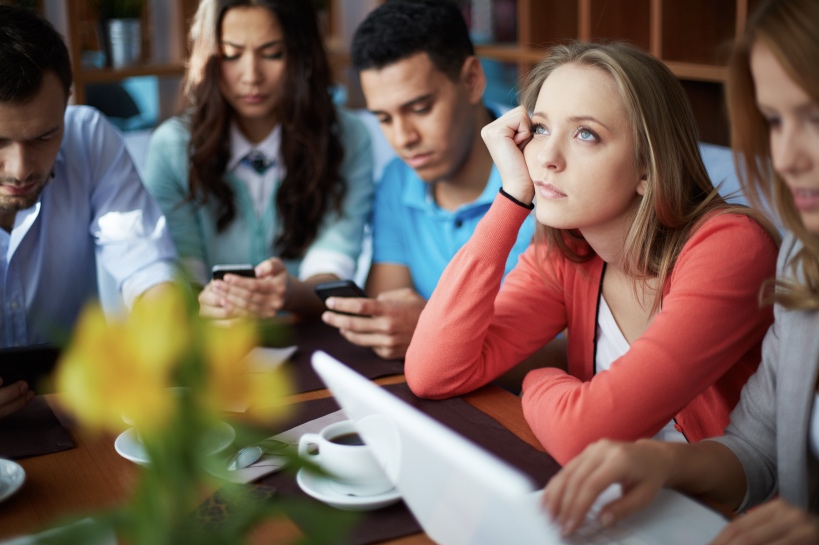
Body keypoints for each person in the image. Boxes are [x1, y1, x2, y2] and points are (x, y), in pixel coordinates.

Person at [405, 41, 781, 465]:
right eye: (541, 128)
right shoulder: (567, 251)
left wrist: (540, 379)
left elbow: (581, 435)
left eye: (586, 134)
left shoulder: (730, 247)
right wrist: (511, 198)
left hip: (730, 519)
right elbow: (432, 372)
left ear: (647, 167)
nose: (546, 157)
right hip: (617, 502)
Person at [542, 0, 819, 541]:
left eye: (816, 117)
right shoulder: (804, 262)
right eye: (775, 121)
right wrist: (663, 466)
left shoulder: (736, 243)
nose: (785, 157)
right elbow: (759, 447)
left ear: (647, 167)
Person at [320, 0, 536, 359]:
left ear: (471, 81)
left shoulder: (546, 177)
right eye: (384, 119)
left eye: (419, 109)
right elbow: (388, 311)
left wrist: (437, 330)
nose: (403, 138)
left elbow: (573, 349)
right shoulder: (397, 179)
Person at [143, 0, 374, 319]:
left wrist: (292, 294)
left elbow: (332, 264)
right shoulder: (172, 147)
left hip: (308, 334)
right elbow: (182, 271)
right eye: (231, 55)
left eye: (272, 53)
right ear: (207, 55)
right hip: (215, 343)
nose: (251, 76)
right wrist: (204, 302)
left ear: (302, 53)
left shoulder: (348, 138)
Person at [0, 5, 177, 416]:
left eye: (46, 134)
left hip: (75, 409)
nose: (21, 168)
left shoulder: (89, 137)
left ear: (67, 100)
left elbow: (146, 266)